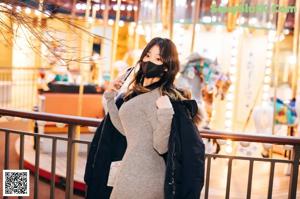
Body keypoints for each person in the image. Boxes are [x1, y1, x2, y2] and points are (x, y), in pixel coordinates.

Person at [102, 37, 202, 199]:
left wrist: (165, 113)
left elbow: (161, 146)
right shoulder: (139, 93)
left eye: (157, 59)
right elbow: (125, 129)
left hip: (145, 177)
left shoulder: (158, 97)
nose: (149, 61)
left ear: (166, 67)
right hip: (131, 170)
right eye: (147, 56)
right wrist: (110, 98)